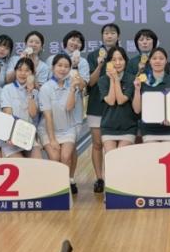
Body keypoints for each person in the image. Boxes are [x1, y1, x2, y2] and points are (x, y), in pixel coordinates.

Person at [46, 30, 90, 194]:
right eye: (72, 39)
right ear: (65, 41)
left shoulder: (82, 62)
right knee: (56, 151)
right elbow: (47, 83)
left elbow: (83, 85)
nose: (75, 43)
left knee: (70, 148)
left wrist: (76, 66)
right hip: (54, 111)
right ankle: (57, 181)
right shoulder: (51, 59)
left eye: (78, 41)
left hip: (74, 112)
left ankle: (70, 179)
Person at [39, 54, 85, 193]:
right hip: (48, 129)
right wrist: (52, 139)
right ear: (53, 67)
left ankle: (66, 185)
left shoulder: (72, 85)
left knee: (65, 157)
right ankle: (56, 187)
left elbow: (69, 107)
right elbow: (48, 116)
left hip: (67, 128)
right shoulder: (46, 88)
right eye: (59, 65)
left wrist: (72, 89)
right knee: (55, 158)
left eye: (66, 66)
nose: (63, 69)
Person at [87, 23, 121, 192]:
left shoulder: (121, 55)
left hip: (117, 107)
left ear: (118, 36)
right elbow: (90, 83)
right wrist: (100, 65)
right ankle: (100, 178)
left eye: (113, 33)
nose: (109, 36)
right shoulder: (93, 55)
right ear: (102, 36)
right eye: (106, 33)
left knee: (115, 144)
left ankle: (115, 177)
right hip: (96, 105)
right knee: (97, 144)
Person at [132, 47, 170, 143]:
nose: (157, 61)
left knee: (169, 153)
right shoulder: (142, 81)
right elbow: (137, 110)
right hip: (149, 130)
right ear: (150, 61)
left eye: (161, 58)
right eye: (154, 58)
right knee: (152, 153)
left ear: (166, 61)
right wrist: (137, 90)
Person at [0, 58, 43, 158]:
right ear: (15, 71)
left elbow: (33, 114)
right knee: (20, 165)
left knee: (38, 163)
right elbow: (7, 113)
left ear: (32, 74)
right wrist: (10, 135)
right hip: (10, 134)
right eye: (20, 70)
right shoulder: (7, 89)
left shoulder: (35, 92)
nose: (23, 73)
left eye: (27, 70)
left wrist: (30, 92)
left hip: (27, 134)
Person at [98, 47, 138, 152]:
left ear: (125, 61)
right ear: (109, 63)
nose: (118, 63)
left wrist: (116, 78)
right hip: (108, 127)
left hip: (128, 127)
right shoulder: (103, 80)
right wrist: (112, 79)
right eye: (114, 60)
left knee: (121, 156)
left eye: (121, 59)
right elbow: (111, 101)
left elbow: (121, 100)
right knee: (110, 157)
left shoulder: (131, 79)